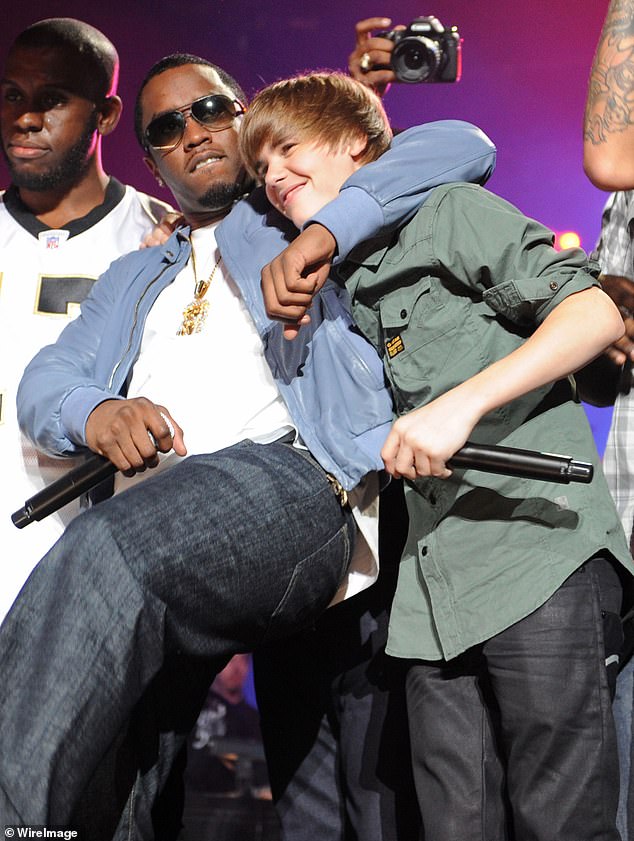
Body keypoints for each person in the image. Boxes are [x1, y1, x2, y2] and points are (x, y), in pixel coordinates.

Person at [0, 53, 496, 837]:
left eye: (211, 109)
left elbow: (462, 144)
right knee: (115, 766)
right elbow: (47, 377)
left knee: (104, 553)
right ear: (153, 161)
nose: (193, 131)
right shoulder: (135, 275)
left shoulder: (299, 213)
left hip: (292, 484)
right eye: (168, 126)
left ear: (246, 117)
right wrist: (95, 412)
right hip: (160, 530)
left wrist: (325, 231)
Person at [234, 71, 633, 841]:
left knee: (563, 823)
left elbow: (592, 312)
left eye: (287, 150)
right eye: (262, 171)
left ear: (360, 144)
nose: (274, 175)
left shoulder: (449, 210)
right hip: (427, 601)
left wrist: (463, 403)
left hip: (535, 553)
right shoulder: (332, 290)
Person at [0, 17, 172, 623]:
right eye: (13, 95)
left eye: (51, 100)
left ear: (104, 114)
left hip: (92, 574)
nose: (24, 117)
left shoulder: (164, 238)